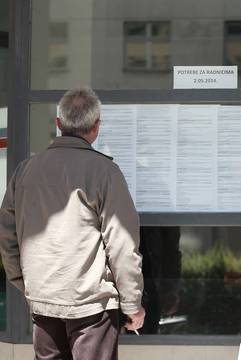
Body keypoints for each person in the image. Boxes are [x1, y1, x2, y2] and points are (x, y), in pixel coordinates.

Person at [0, 87, 145, 359]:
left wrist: (26, 283)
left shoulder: (25, 170)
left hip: (43, 301)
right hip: (91, 306)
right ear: (96, 127)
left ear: (58, 124)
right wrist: (131, 303)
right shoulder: (105, 172)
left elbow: (7, 236)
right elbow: (122, 244)